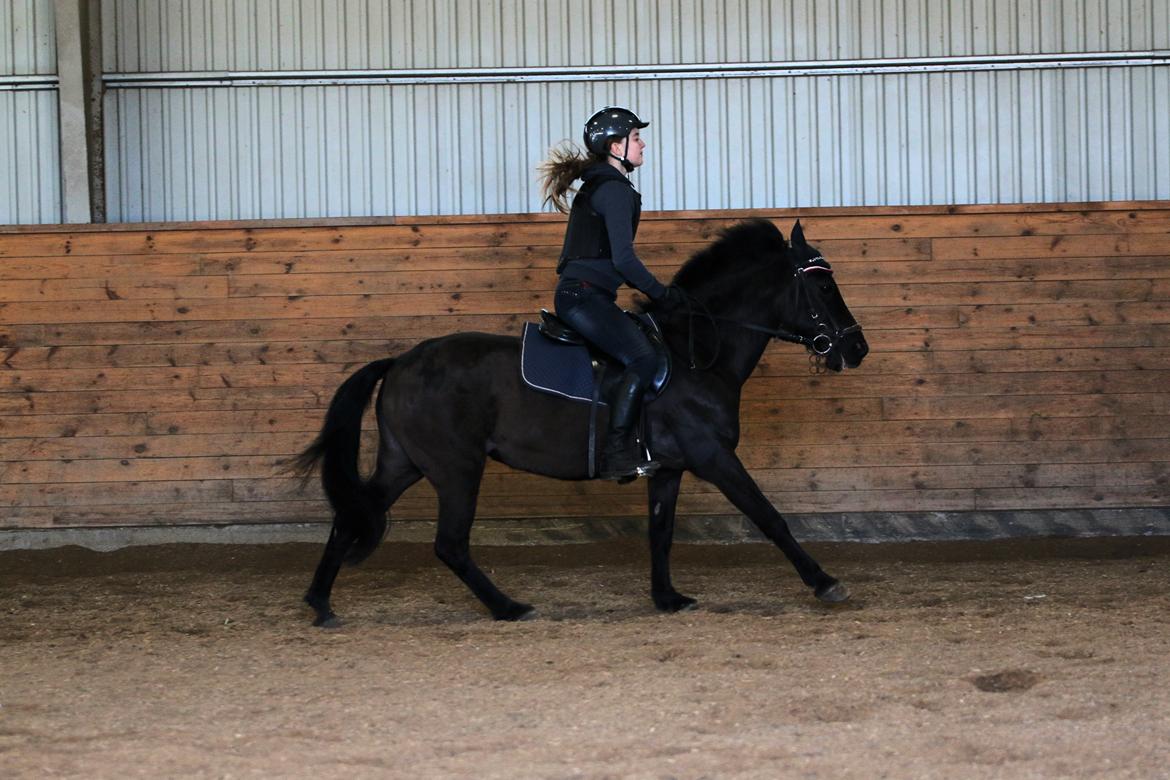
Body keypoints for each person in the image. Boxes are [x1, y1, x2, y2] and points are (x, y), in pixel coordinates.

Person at [538, 106, 684, 481]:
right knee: (643, 360)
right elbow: (624, 261)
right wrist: (661, 294)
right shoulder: (614, 190)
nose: (643, 144)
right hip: (583, 297)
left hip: (589, 296)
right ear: (616, 145)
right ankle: (617, 451)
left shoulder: (601, 186)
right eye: (636, 139)